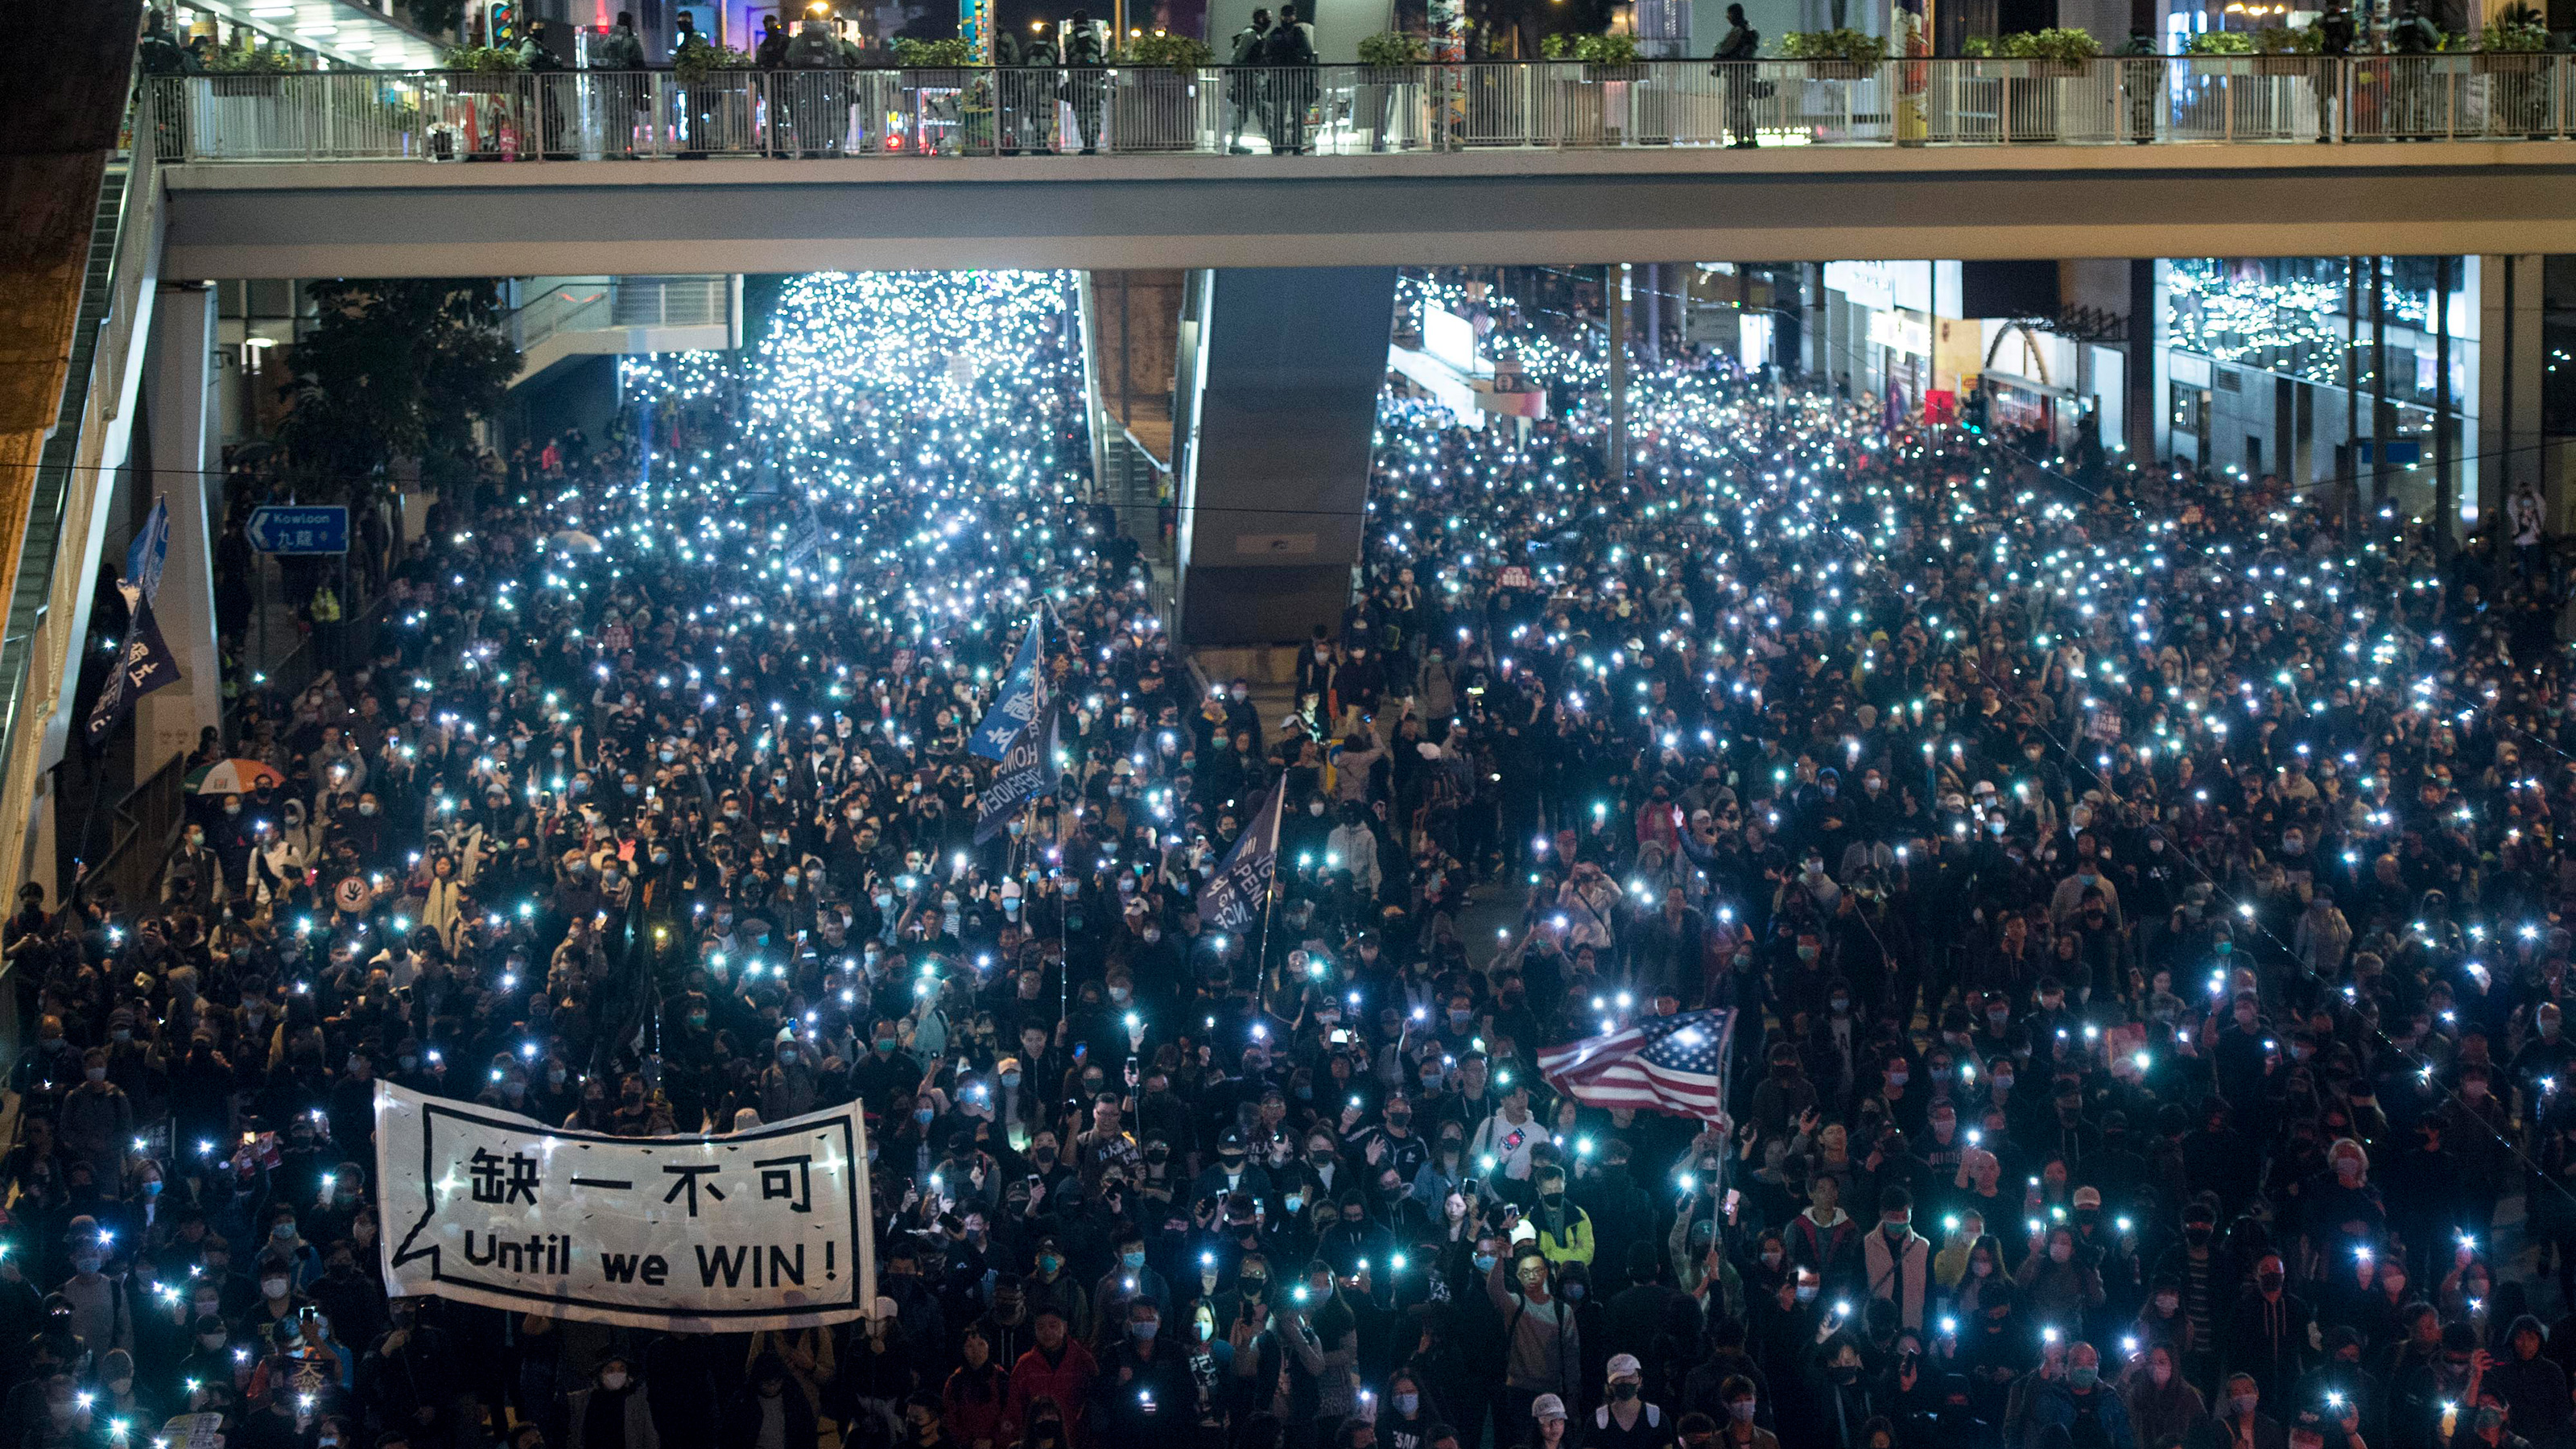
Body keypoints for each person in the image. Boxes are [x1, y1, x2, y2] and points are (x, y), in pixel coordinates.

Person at [1711, 5, 1760, 148]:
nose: (1728, 18)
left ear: (1733, 15)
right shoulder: (1750, 31)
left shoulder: (1737, 32)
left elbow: (1723, 50)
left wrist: (1716, 64)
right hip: (1746, 73)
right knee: (1744, 107)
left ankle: (1739, 139)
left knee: (1736, 108)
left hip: (1735, 74)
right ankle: (1751, 138)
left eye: (1729, 15)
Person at [1227, 10, 1274, 152]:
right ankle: (1275, 141)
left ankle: (1235, 143)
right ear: (1260, 19)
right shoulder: (1250, 34)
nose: (1269, 21)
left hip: (1250, 79)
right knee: (1260, 111)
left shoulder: (1255, 34)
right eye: (1268, 18)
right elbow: (1239, 57)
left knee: (1246, 112)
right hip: (1246, 80)